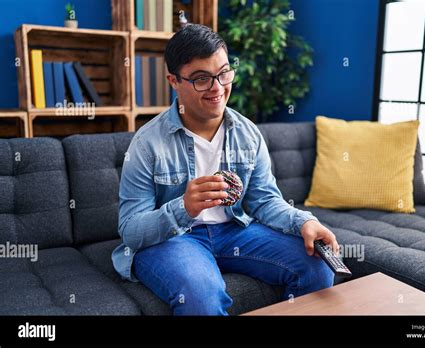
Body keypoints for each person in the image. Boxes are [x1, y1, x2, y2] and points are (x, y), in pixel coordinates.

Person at [112, 24, 340, 315]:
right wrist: (183, 207)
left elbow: (265, 200)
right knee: (201, 294)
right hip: (174, 239)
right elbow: (131, 231)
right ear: (173, 80)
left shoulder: (247, 133)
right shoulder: (147, 143)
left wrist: (304, 222)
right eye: (201, 79)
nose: (217, 88)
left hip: (235, 231)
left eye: (223, 73)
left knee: (317, 264)